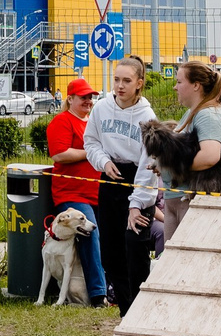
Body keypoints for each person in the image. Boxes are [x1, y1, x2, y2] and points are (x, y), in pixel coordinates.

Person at [83, 56, 163, 312]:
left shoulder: (147, 117)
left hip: (138, 182)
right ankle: (126, 311)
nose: (120, 86)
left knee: (134, 248)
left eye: (126, 81)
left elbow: (148, 163)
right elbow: (91, 142)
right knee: (111, 252)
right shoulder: (102, 108)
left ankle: (143, 310)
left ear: (139, 83)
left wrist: (137, 204)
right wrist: (103, 162)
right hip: (110, 179)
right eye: (116, 79)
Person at [157, 60, 221, 243]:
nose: (174, 87)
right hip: (179, 200)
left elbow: (210, 156)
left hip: (193, 200)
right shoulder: (194, 112)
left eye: (179, 82)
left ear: (196, 85)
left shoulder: (208, 114)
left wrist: (171, 166)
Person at [43, 78, 108, 307]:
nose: (88, 101)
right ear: (70, 99)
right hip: (73, 195)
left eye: (90, 97)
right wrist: (92, 152)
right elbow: (59, 154)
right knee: (91, 235)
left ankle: (108, 287)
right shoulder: (62, 121)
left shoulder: (91, 122)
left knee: (106, 237)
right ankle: (99, 294)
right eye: (83, 97)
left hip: (97, 192)